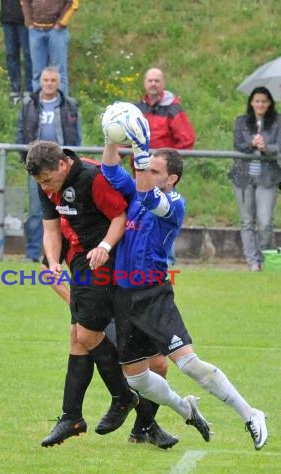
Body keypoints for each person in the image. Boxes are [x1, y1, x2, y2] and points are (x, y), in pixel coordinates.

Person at [101, 105, 268, 450]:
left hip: (153, 296)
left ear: (170, 178)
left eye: (154, 169)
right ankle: (184, 407)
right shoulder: (135, 191)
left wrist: (142, 149)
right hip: (123, 297)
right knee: (137, 379)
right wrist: (110, 137)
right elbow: (108, 168)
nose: (144, 170)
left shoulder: (173, 203)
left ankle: (251, 413)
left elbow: (150, 198)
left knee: (189, 365)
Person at [25, 140, 172, 449]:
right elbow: (50, 232)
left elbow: (121, 218)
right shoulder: (51, 190)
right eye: (41, 183)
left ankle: (138, 418)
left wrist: (104, 247)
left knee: (155, 362)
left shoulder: (93, 179)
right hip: (90, 272)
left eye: (48, 180)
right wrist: (53, 263)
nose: (45, 187)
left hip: (120, 267)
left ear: (63, 165)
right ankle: (79, 414)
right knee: (82, 337)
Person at [41, 246, 179, 449]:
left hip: (128, 300)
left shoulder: (119, 222)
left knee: (159, 365)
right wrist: (75, 302)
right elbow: (46, 269)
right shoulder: (74, 221)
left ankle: (143, 427)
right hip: (93, 302)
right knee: (89, 346)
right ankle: (147, 425)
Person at [16, 66, 81, 262]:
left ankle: (69, 253)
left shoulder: (69, 104)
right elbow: (20, 132)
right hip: (38, 164)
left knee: (68, 209)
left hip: (62, 167)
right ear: (40, 82)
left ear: (59, 83)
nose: (49, 84)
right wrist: (25, 157)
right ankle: (33, 253)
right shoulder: (30, 104)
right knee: (37, 210)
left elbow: (77, 134)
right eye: (46, 80)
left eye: (53, 80)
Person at [134, 67, 196, 266]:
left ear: (163, 84)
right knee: (142, 219)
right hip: (142, 176)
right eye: (150, 80)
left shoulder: (173, 109)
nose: (153, 84)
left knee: (164, 218)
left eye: (157, 81)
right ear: (145, 83)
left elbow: (187, 140)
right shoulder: (137, 109)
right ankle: (140, 262)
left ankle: (165, 263)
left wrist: (167, 162)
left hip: (162, 177)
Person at [228, 86, 281, 272]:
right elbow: (238, 145)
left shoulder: (278, 122)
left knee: (265, 221)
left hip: (267, 177)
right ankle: (253, 262)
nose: (260, 104)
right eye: (257, 101)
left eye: (264, 101)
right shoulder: (241, 121)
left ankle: (267, 257)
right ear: (251, 102)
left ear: (270, 103)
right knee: (247, 221)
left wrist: (266, 147)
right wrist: (252, 143)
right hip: (243, 177)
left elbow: (278, 147)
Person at [21, 0, 79, 96]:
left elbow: (73, 3)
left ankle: (62, 106)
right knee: (37, 73)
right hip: (35, 31)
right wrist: (29, 22)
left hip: (57, 32)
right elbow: (25, 1)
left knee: (59, 72)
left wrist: (61, 23)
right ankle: (38, 107)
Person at [0, 0, 33, 105]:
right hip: (7, 18)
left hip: (25, 19)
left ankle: (29, 89)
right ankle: (14, 90)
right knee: (11, 54)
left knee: (28, 54)